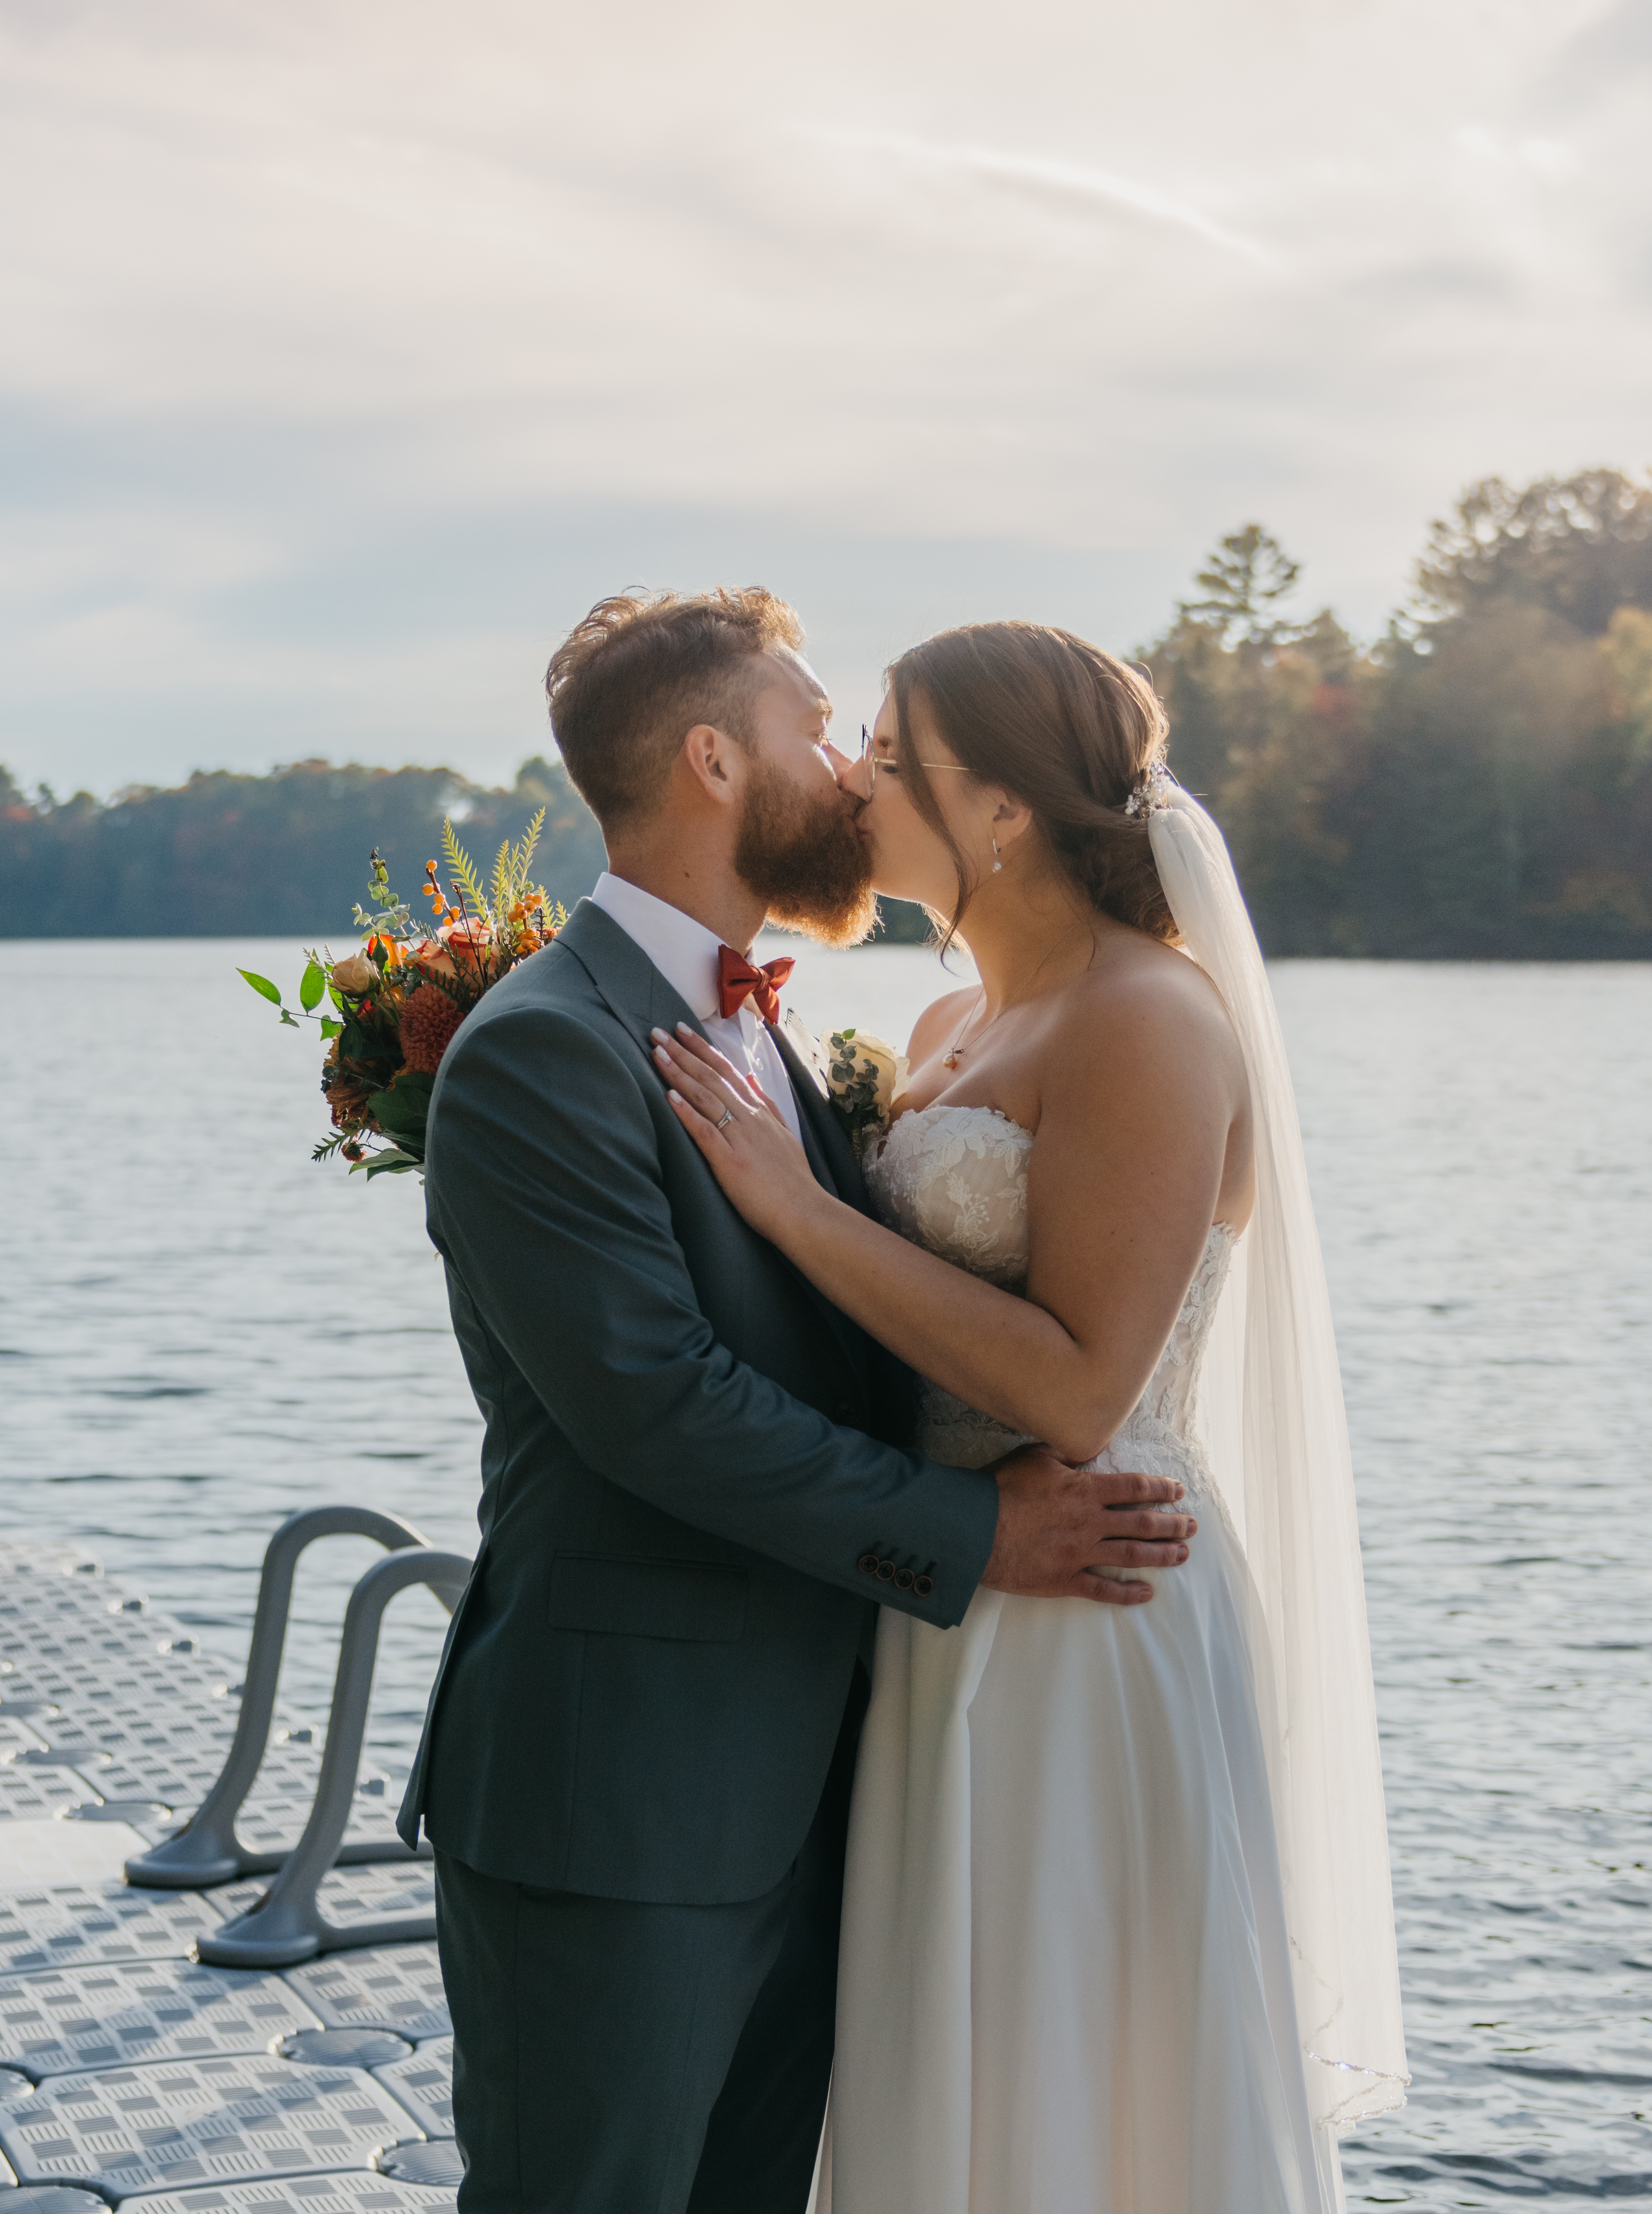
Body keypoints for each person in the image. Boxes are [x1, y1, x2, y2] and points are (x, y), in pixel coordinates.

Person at [402, 587, 1203, 2214]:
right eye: (817, 726)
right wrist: (974, 1531)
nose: (847, 771)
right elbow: (663, 1408)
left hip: (845, 1787)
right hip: (621, 1804)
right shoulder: (545, 1050)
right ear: (712, 760)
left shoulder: (765, 1037)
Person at [649, 620, 1408, 2214]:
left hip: (1089, 1599)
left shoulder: (1150, 1018)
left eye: (892, 755)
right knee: (945, 2066)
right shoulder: (941, 1035)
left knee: (1076, 2079)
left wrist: (796, 1209)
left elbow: (1080, 1386)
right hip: (935, 1591)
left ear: (999, 810)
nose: (852, 778)